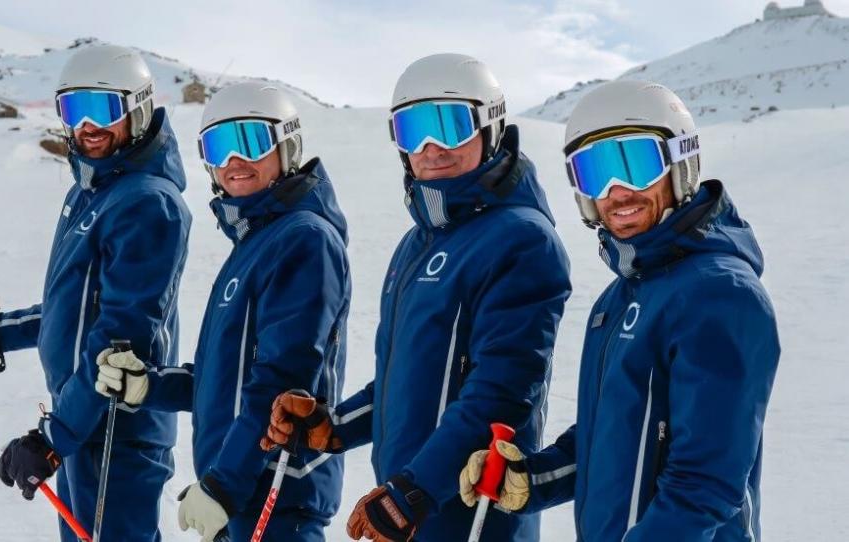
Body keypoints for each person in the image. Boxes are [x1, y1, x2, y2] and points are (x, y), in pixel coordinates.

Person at [262, 53, 571, 541]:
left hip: (467, 519)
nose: (431, 147)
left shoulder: (521, 238)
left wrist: (415, 490)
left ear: (490, 126)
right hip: (409, 512)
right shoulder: (419, 243)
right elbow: (404, 381)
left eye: (450, 126)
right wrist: (334, 425)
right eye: (413, 131)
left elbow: (503, 393)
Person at [458, 80, 781, 541]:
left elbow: (706, 484)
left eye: (636, 164)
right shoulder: (621, 297)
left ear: (681, 161)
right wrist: (531, 478)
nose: (617, 191)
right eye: (595, 173)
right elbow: (609, 437)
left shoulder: (721, 293)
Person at [0, 44, 191, 542]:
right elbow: (74, 312)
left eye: (104, 109)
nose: (87, 125)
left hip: (115, 430)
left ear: (137, 110)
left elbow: (120, 339)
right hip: (83, 420)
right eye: (75, 109)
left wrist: (55, 438)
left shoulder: (147, 203)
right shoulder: (93, 192)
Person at [95, 82, 351, 541]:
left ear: (286, 145)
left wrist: (224, 485)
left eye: (251, 141)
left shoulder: (304, 239)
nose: (234, 161)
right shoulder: (254, 244)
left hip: (275, 495)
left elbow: (282, 381)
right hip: (242, 496)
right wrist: (148, 385)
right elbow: (225, 381)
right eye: (219, 145)